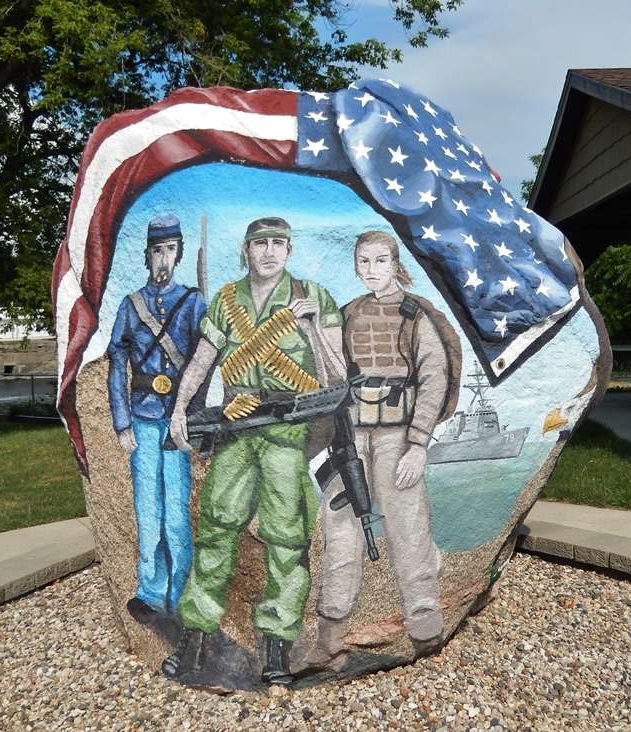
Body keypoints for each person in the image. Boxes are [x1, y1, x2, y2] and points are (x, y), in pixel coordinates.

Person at [163, 216, 344, 685]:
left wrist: (310, 328)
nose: (269, 252)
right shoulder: (227, 300)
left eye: (278, 243)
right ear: (246, 249)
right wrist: (180, 408)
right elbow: (203, 359)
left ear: (289, 250)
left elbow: (338, 374)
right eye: (260, 243)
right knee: (216, 529)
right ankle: (195, 637)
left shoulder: (314, 296)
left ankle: (277, 646)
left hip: (287, 430)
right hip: (236, 426)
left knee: (288, 538)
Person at [306, 230, 460, 670]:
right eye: (363, 261)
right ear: (356, 266)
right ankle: (330, 638)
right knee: (339, 535)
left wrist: (418, 444)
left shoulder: (416, 316)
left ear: (395, 264)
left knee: (408, 534)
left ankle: (426, 633)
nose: (371, 269)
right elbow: (328, 372)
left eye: (380, 260)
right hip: (350, 437)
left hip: (398, 437)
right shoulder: (348, 314)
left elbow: (434, 378)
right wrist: (313, 327)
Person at [107, 215, 208, 624]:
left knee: (177, 514)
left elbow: (205, 361)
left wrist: (194, 416)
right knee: (148, 511)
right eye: (157, 251)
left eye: (170, 250)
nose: (163, 259)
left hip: (177, 421)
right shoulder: (131, 306)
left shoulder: (193, 303)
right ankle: (150, 593)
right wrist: (122, 422)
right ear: (147, 255)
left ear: (178, 254)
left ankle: (181, 595)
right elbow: (117, 364)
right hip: (145, 417)